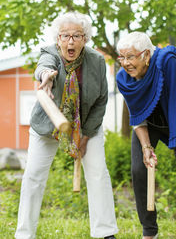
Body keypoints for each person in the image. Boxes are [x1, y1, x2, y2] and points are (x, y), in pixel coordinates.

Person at [15, 12, 118, 239]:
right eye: (65, 36)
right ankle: (24, 234)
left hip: (86, 123)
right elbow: (43, 67)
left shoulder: (97, 61)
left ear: (85, 39)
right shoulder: (50, 53)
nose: (70, 41)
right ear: (58, 38)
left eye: (77, 36)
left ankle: (105, 232)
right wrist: (46, 77)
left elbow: (101, 99)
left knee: (98, 172)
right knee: (33, 175)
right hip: (48, 124)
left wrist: (86, 136)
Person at [116, 31, 176, 239]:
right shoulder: (123, 79)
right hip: (149, 124)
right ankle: (149, 231)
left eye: (130, 57)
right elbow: (136, 115)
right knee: (139, 168)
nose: (125, 63)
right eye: (122, 57)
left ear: (146, 55)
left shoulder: (165, 62)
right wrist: (146, 147)